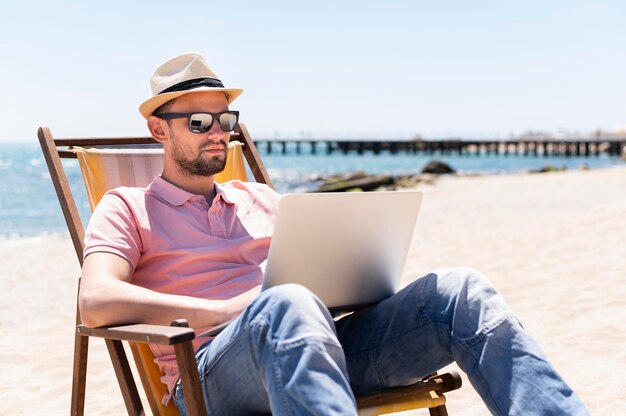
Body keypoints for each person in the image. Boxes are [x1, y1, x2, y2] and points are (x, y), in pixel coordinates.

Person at [80, 52, 588, 415]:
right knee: (287, 303)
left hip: (317, 344)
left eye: (225, 118)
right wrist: (220, 313)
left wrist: (356, 283)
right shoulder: (128, 206)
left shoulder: (261, 199)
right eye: (198, 121)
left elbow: (320, 279)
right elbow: (95, 300)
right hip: (210, 372)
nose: (218, 131)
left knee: (460, 291)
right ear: (158, 131)